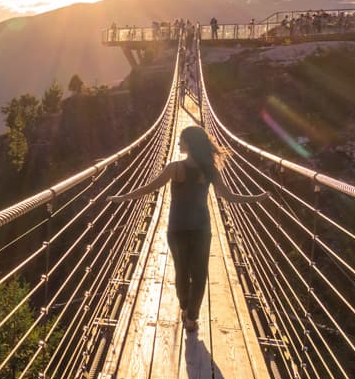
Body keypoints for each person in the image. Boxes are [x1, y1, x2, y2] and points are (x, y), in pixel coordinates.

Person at [107, 126, 267, 332]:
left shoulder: (174, 168)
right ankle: (191, 315)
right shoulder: (210, 170)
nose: (178, 143)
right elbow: (229, 196)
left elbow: (149, 187)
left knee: (182, 271)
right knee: (199, 274)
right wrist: (254, 198)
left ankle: (186, 309)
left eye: (181, 140)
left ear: (189, 144)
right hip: (201, 228)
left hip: (177, 228)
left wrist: (123, 197)